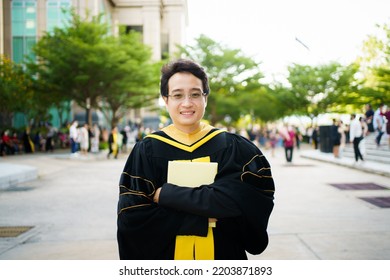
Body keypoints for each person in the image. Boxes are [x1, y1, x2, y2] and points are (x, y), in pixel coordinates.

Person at [117, 59, 275, 260]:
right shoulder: (147, 150)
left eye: (195, 94)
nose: (187, 103)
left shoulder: (233, 147)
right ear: (166, 100)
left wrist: (166, 195)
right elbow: (132, 217)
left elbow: (244, 201)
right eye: (177, 95)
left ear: (205, 98)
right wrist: (204, 217)